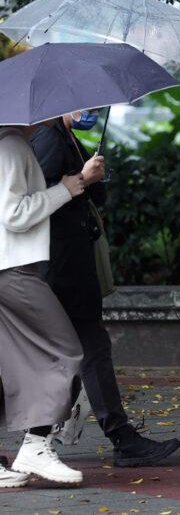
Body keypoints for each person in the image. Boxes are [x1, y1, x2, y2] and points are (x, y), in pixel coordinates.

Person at [31, 111, 180, 466]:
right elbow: (32, 202)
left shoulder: (66, 137)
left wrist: (94, 177)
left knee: (85, 349)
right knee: (75, 353)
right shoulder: (49, 139)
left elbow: (90, 198)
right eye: (83, 101)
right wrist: (80, 179)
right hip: (59, 266)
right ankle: (54, 441)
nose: (91, 110)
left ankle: (115, 437)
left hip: (71, 263)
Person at [0, 121, 87, 486]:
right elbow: (13, 214)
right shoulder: (12, 146)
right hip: (15, 269)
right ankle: (35, 445)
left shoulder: (12, 145)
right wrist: (64, 190)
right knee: (65, 353)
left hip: (7, 266)